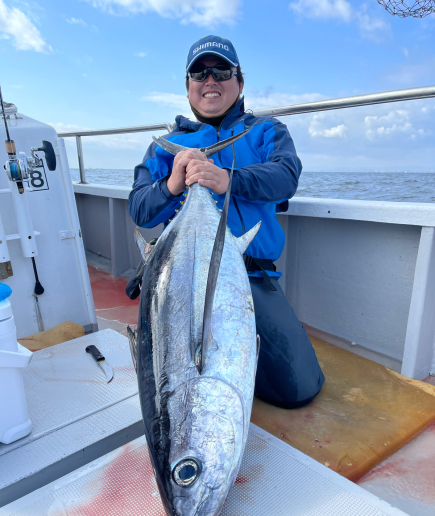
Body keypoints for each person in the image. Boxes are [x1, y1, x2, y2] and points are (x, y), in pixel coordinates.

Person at [128, 35, 325, 408]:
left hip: (248, 277)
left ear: (240, 81)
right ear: (188, 87)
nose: (210, 79)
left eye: (221, 70)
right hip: (179, 282)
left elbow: (286, 177)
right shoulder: (165, 146)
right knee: (169, 387)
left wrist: (228, 179)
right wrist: (173, 183)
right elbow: (139, 209)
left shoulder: (265, 131)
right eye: (199, 73)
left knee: (299, 389)